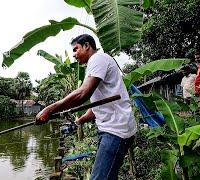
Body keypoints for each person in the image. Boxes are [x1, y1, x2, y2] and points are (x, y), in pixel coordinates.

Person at [35, 34, 137, 180]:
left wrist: (49, 109)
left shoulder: (98, 59)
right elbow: (98, 106)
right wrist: (79, 121)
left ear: (87, 46)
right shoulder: (95, 64)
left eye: (76, 49)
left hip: (115, 131)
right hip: (112, 129)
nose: (74, 55)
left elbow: (82, 94)